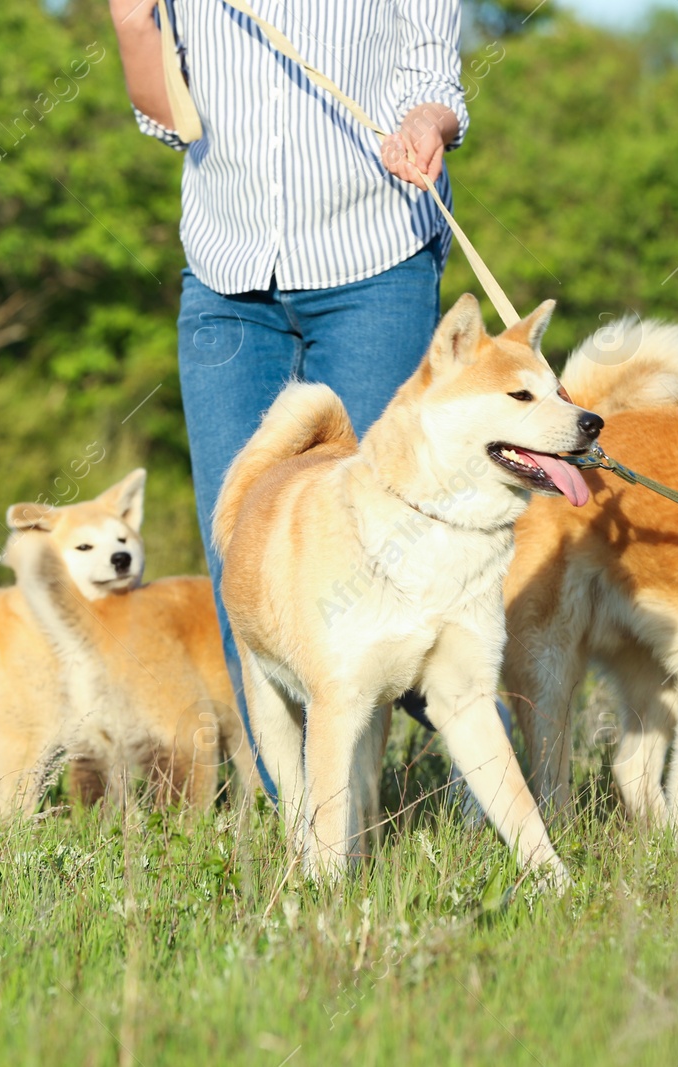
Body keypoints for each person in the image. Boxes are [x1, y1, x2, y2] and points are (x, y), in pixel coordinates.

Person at [109, 0, 469, 792]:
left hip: (373, 262)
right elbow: (176, 117)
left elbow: (435, 76)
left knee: (387, 543)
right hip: (227, 277)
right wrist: (136, 24)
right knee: (240, 551)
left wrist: (427, 125)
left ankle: (477, 765)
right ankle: (307, 825)